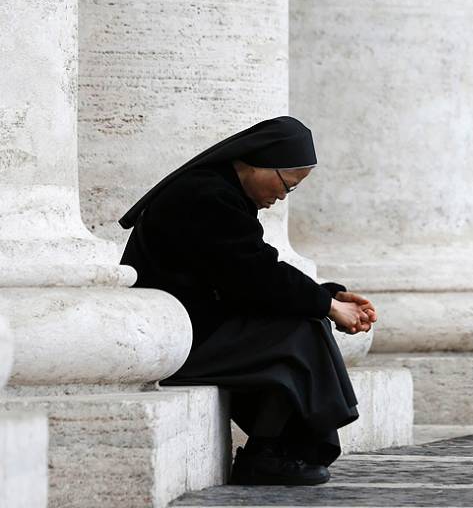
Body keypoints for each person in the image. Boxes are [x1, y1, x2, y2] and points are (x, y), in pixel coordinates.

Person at [119, 116, 375, 486]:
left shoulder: (219, 191)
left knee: (302, 323)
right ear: (258, 163)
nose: (284, 195)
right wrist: (328, 305)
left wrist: (327, 295)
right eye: (287, 183)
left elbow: (253, 268)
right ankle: (262, 455)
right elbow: (253, 276)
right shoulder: (204, 196)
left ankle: (273, 450)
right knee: (298, 332)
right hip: (180, 340)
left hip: (201, 327)